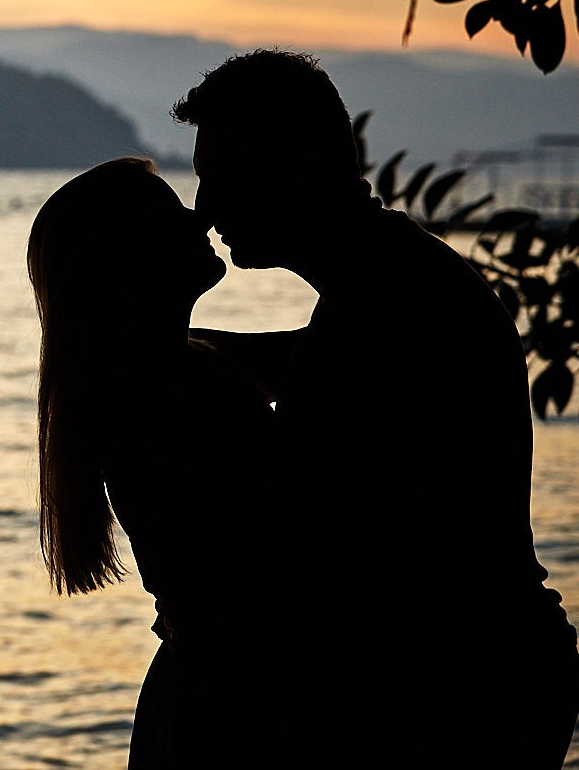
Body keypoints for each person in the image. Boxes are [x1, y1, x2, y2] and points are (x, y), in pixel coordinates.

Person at [176, 49, 579, 768]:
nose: (204, 209)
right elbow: (295, 359)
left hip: (462, 693)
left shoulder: (385, 305)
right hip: (496, 668)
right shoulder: (390, 279)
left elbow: (299, 524)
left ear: (283, 170)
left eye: (220, 177)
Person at [30, 157, 294, 768]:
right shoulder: (174, 389)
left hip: (200, 688)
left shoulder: (159, 369)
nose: (198, 216)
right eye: (170, 211)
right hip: (233, 704)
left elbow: (314, 356)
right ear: (133, 255)